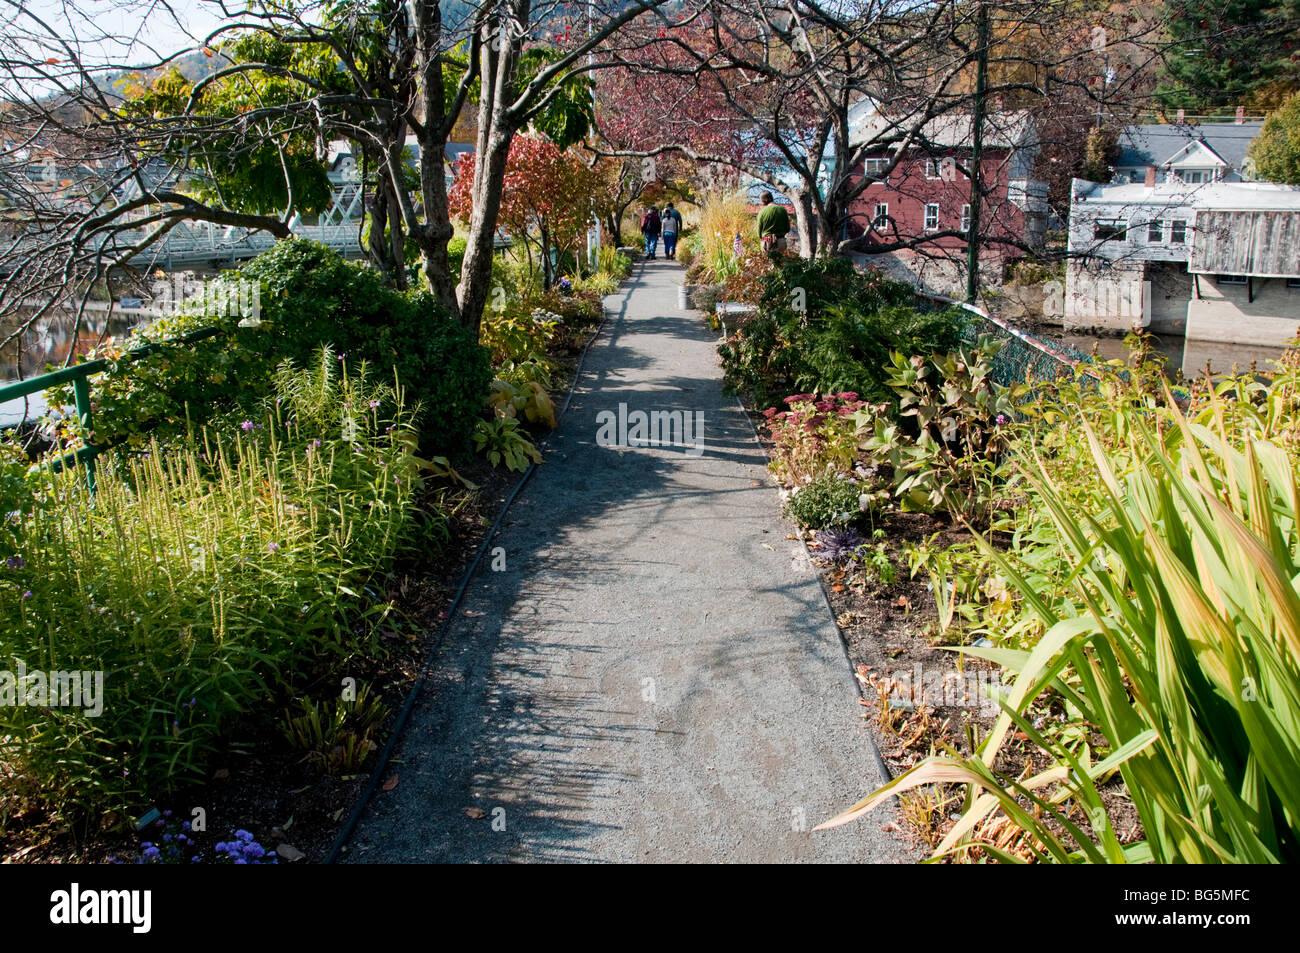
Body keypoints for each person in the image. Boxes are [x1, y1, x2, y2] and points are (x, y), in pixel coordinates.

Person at [755, 191, 790, 256]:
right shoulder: (782, 210)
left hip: (767, 240)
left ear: (765, 200)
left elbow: (759, 232)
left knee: (767, 263)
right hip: (780, 240)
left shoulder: (762, 212)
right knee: (780, 263)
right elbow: (787, 228)